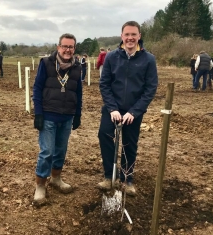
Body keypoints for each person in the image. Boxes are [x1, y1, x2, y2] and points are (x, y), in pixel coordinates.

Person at [97, 21, 158, 196]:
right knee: (105, 135)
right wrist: (112, 108)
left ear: (139, 36)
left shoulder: (148, 59)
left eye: (134, 34)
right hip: (112, 109)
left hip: (133, 111)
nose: (130, 38)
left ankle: (126, 179)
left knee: (129, 144)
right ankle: (109, 176)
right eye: (127, 34)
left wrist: (134, 111)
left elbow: (150, 89)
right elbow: (105, 84)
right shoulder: (111, 57)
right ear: (122, 36)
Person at [32, 33, 82, 204]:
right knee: (47, 151)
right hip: (48, 115)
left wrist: (77, 114)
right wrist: (38, 113)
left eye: (71, 47)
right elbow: (37, 88)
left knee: (60, 150)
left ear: (74, 49)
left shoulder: (77, 67)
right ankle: (40, 185)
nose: (68, 50)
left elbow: (78, 92)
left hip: (67, 117)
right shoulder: (46, 64)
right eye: (65, 46)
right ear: (58, 47)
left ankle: (56, 178)